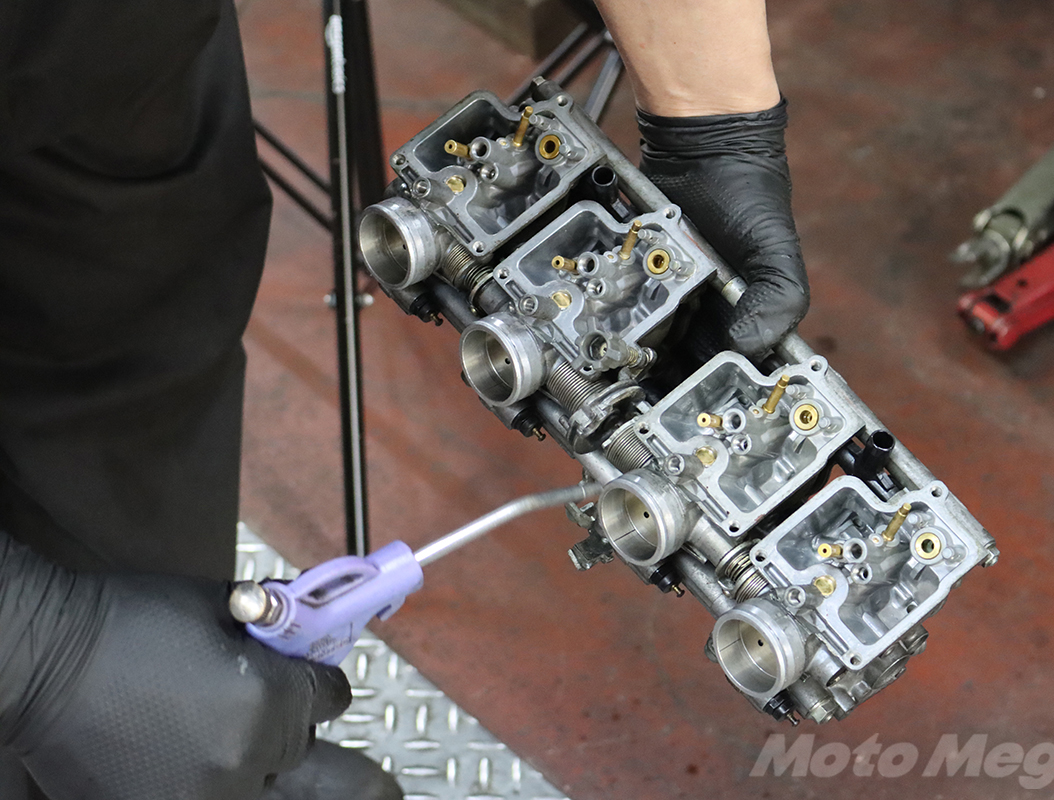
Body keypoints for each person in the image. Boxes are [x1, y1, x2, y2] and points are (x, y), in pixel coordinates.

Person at [0, 0, 808, 798]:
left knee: (137, 327)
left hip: (112, 45)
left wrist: (713, 119)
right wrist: (41, 652)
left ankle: (177, 724)